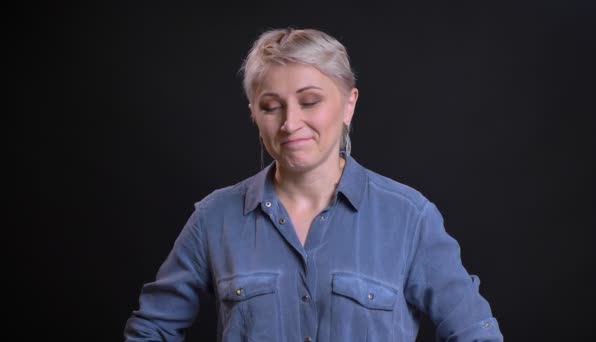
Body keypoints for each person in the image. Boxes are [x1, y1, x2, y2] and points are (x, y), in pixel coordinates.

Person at [124, 27, 503, 341]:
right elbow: (151, 330)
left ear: (349, 105)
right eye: (272, 106)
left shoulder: (409, 218)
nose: (290, 123)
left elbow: (476, 332)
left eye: (309, 101)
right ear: (254, 114)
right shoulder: (214, 219)